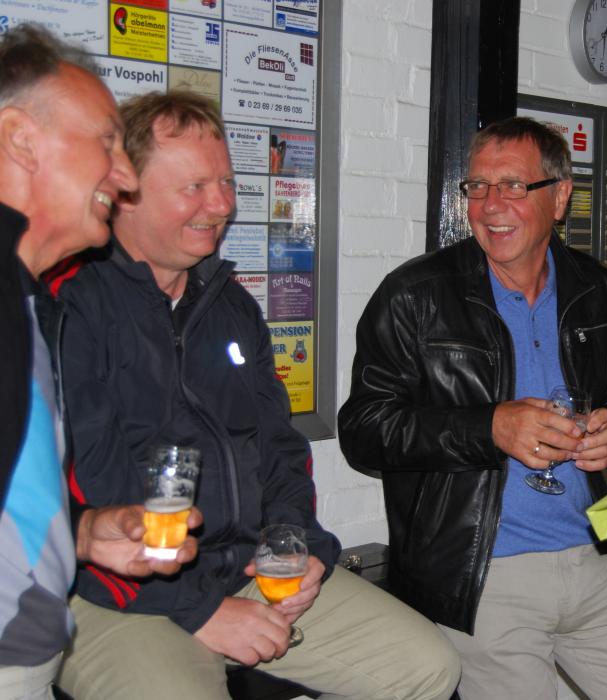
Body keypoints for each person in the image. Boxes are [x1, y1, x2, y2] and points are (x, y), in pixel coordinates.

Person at [54, 91, 459, 700]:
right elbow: (81, 490)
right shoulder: (70, 304)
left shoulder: (233, 307)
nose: (222, 205)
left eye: (226, 182)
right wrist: (202, 612)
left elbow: (279, 448)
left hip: (240, 569)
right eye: (194, 187)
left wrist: (297, 547)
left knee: (429, 666)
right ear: (124, 191)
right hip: (110, 593)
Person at [339, 116, 607, 699]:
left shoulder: (599, 291)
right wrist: (488, 427)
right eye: (478, 187)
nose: (490, 205)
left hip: (592, 559)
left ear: (559, 198)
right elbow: (363, 428)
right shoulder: (414, 295)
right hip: (482, 577)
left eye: (513, 185)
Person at [0, 25, 201, 698]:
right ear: (20, 139)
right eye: (106, 142)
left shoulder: (27, 297)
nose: (124, 175)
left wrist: (83, 534)